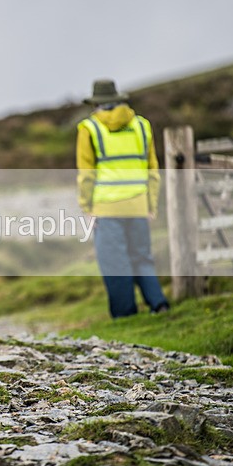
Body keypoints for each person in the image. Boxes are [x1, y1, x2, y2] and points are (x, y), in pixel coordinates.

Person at [76, 79, 170, 319]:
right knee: (142, 257)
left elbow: (86, 174)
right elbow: (153, 170)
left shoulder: (89, 128)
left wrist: (87, 207)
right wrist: (151, 205)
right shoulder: (141, 125)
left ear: (96, 104)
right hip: (138, 204)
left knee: (114, 263)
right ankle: (158, 304)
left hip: (107, 207)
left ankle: (125, 316)